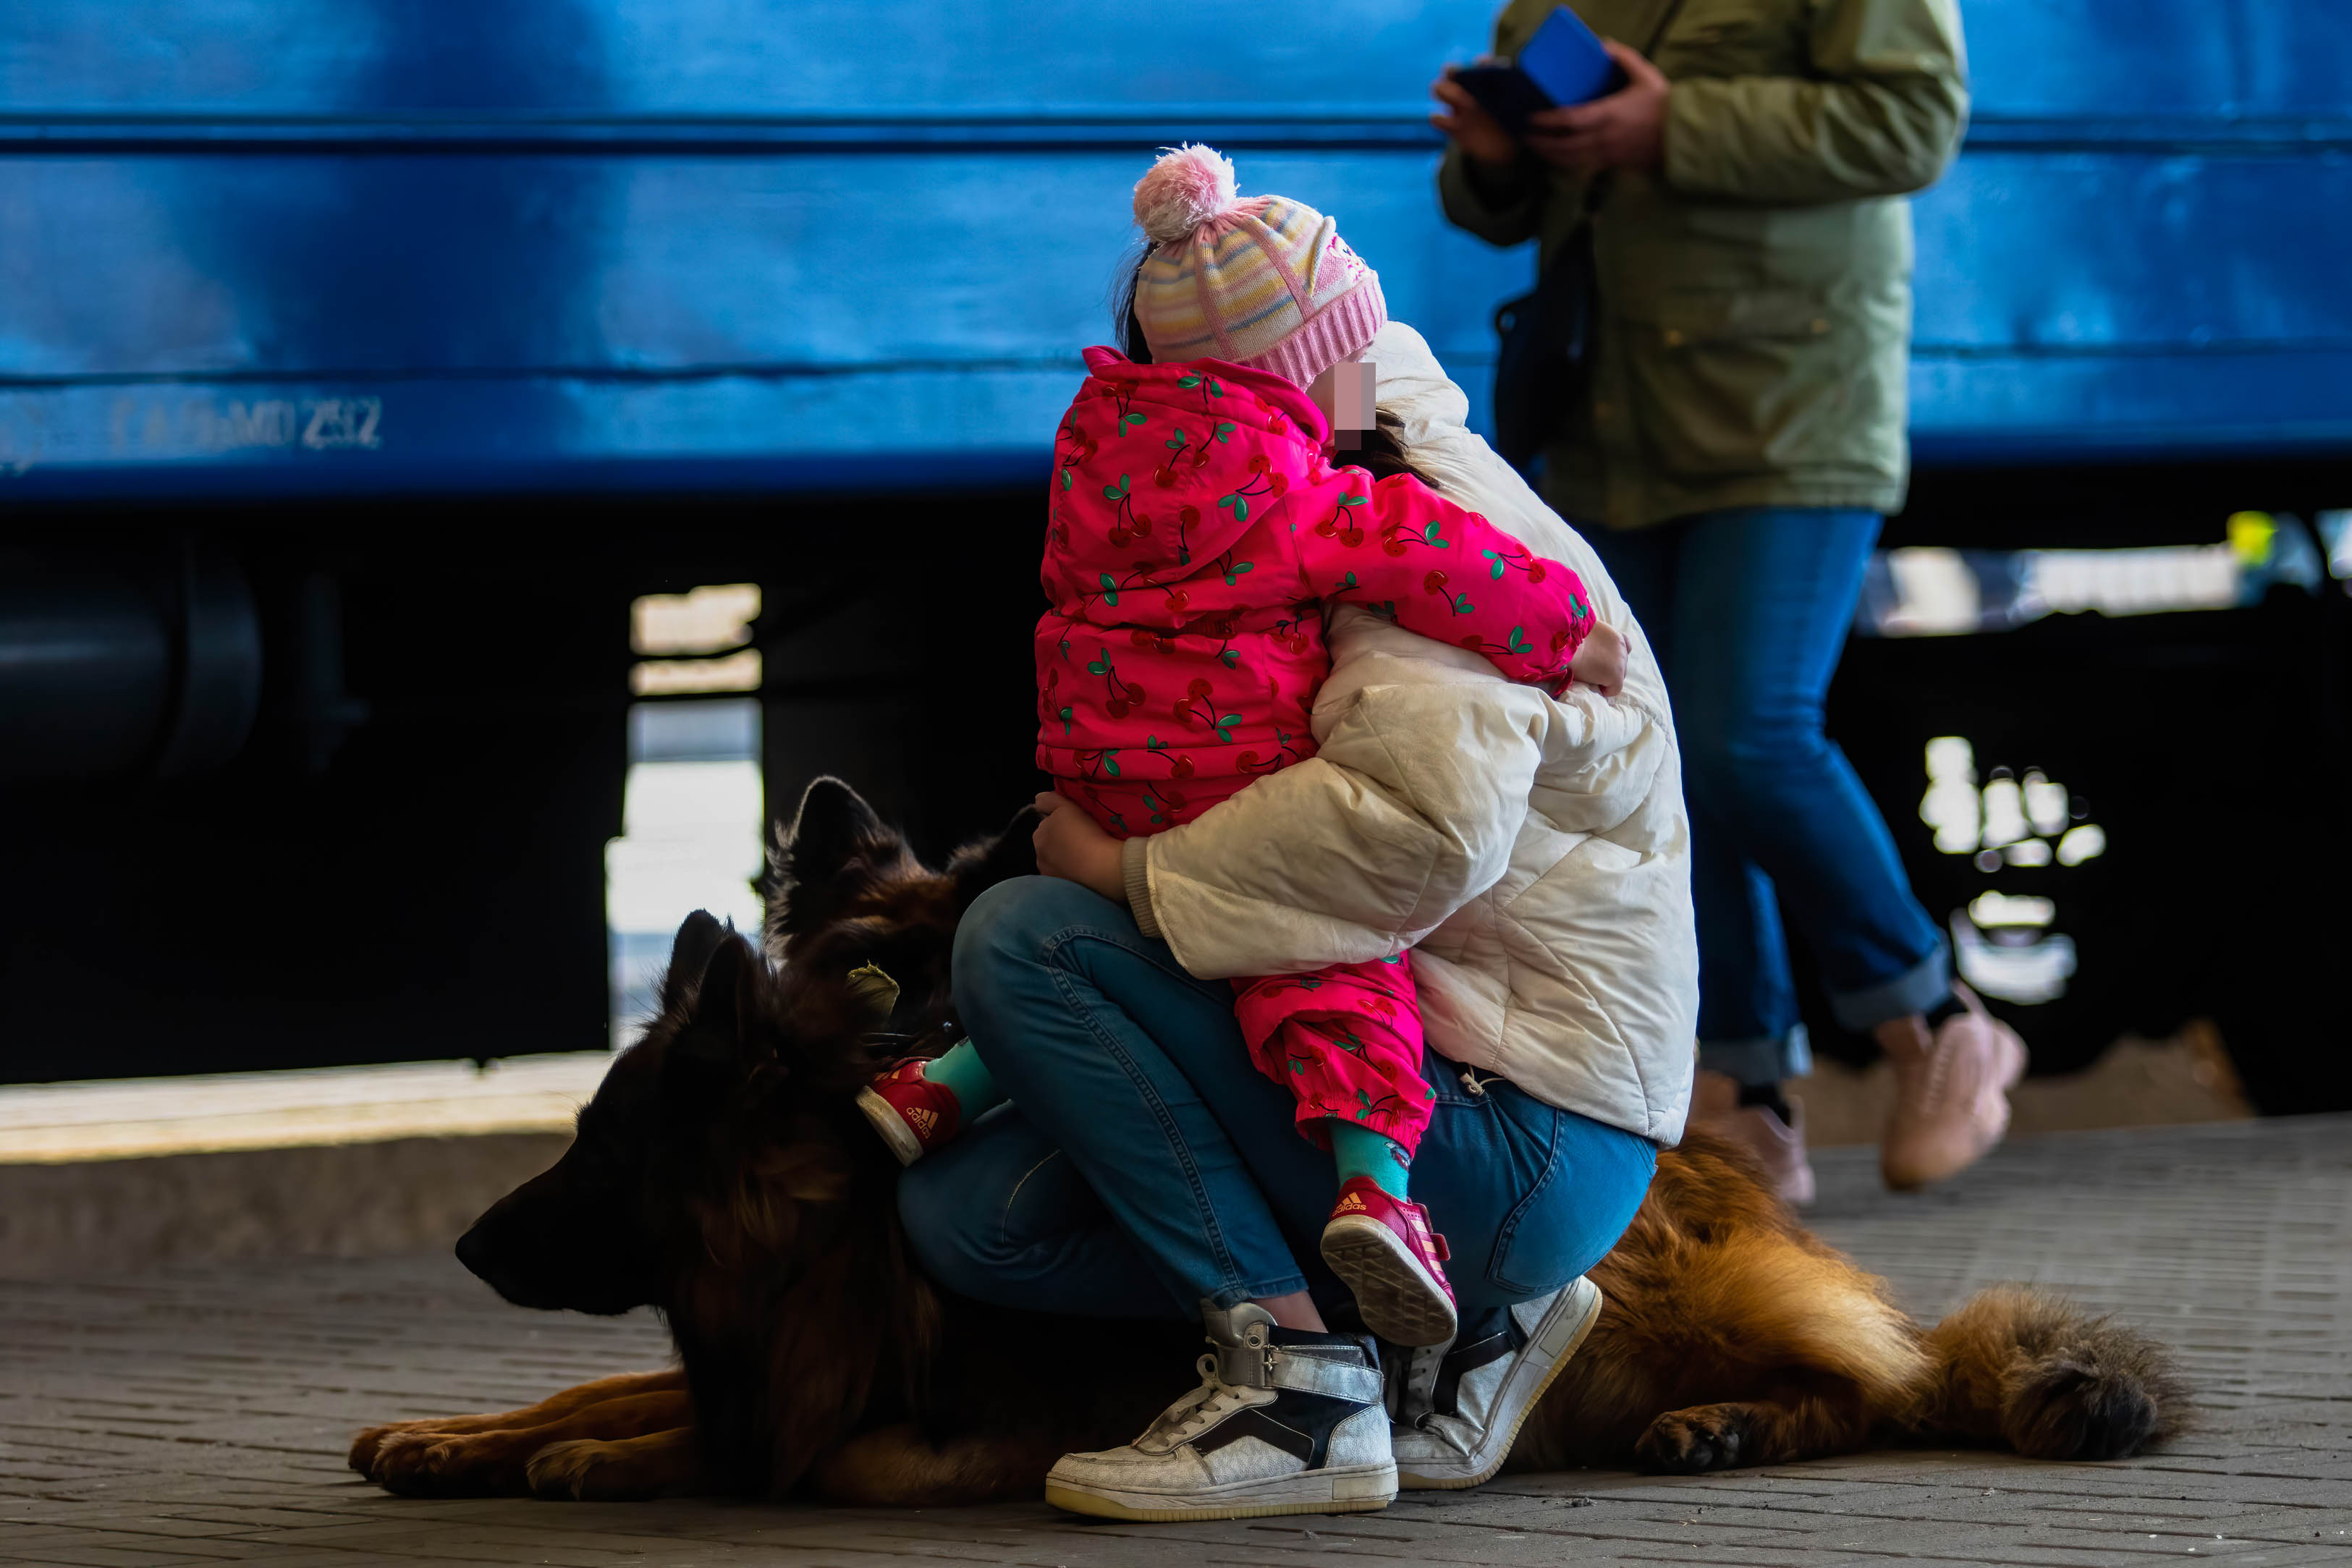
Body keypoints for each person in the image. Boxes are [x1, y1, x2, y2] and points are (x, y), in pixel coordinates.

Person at [890, 153, 1699, 1522]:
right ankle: (1471, 1326)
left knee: (1024, 937)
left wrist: (1124, 867)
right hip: (1466, 1067)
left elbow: (1419, 833)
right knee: (974, 1223)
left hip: (1524, 1115)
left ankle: (1304, 1389)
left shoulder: (1403, 529)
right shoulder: (1313, 471)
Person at [1431, 0, 2017, 1202]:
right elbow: (1518, 210)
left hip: (1792, 404)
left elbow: (1912, 119)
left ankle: (1938, 1020)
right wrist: (1496, 165)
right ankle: (1743, 1092)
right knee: (1654, 758)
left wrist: (1675, 123)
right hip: (1613, 419)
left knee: (1750, 736)